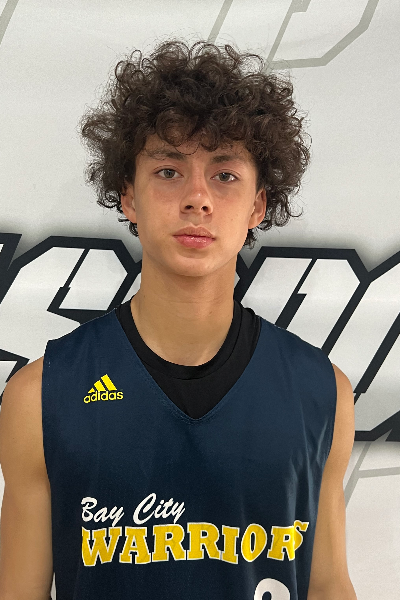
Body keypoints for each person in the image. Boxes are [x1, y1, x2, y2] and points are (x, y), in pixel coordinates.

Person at [0, 39, 357, 599]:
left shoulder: (321, 392)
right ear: (129, 197)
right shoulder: (40, 397)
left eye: (225, 175)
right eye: (169, 170)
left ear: (259, 205)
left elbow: (328, 586)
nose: (197, 198)